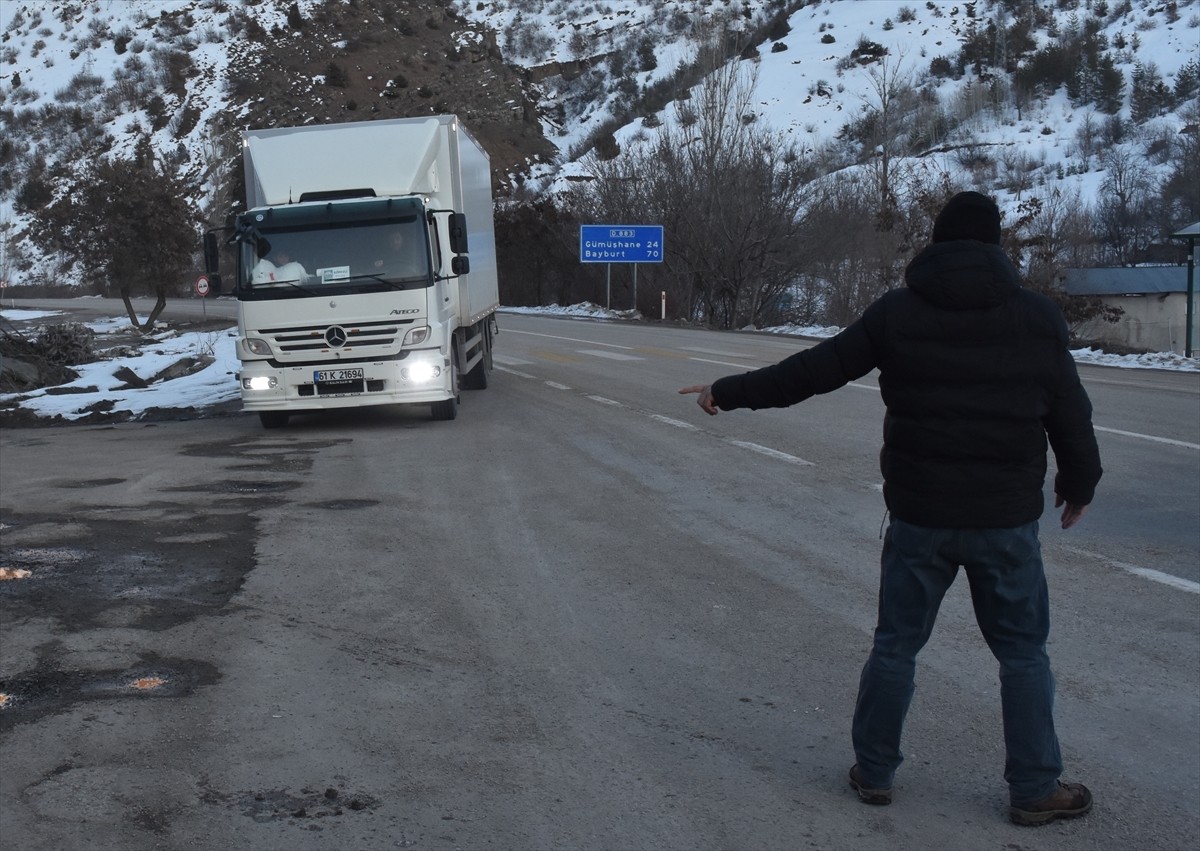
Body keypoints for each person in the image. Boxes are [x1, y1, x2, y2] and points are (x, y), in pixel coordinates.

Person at [679, 191, 1102, 827]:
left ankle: (874, 771)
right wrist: (1080, 482)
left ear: (936, 243)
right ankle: (1036, 788)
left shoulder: (899, 312)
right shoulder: (1035, 317)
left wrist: (728, 392)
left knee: (896, 646)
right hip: (1004, 520)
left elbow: (814, 371)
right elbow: (1070, 409)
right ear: (995, 246)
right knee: (1022, 654)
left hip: (919, 517)